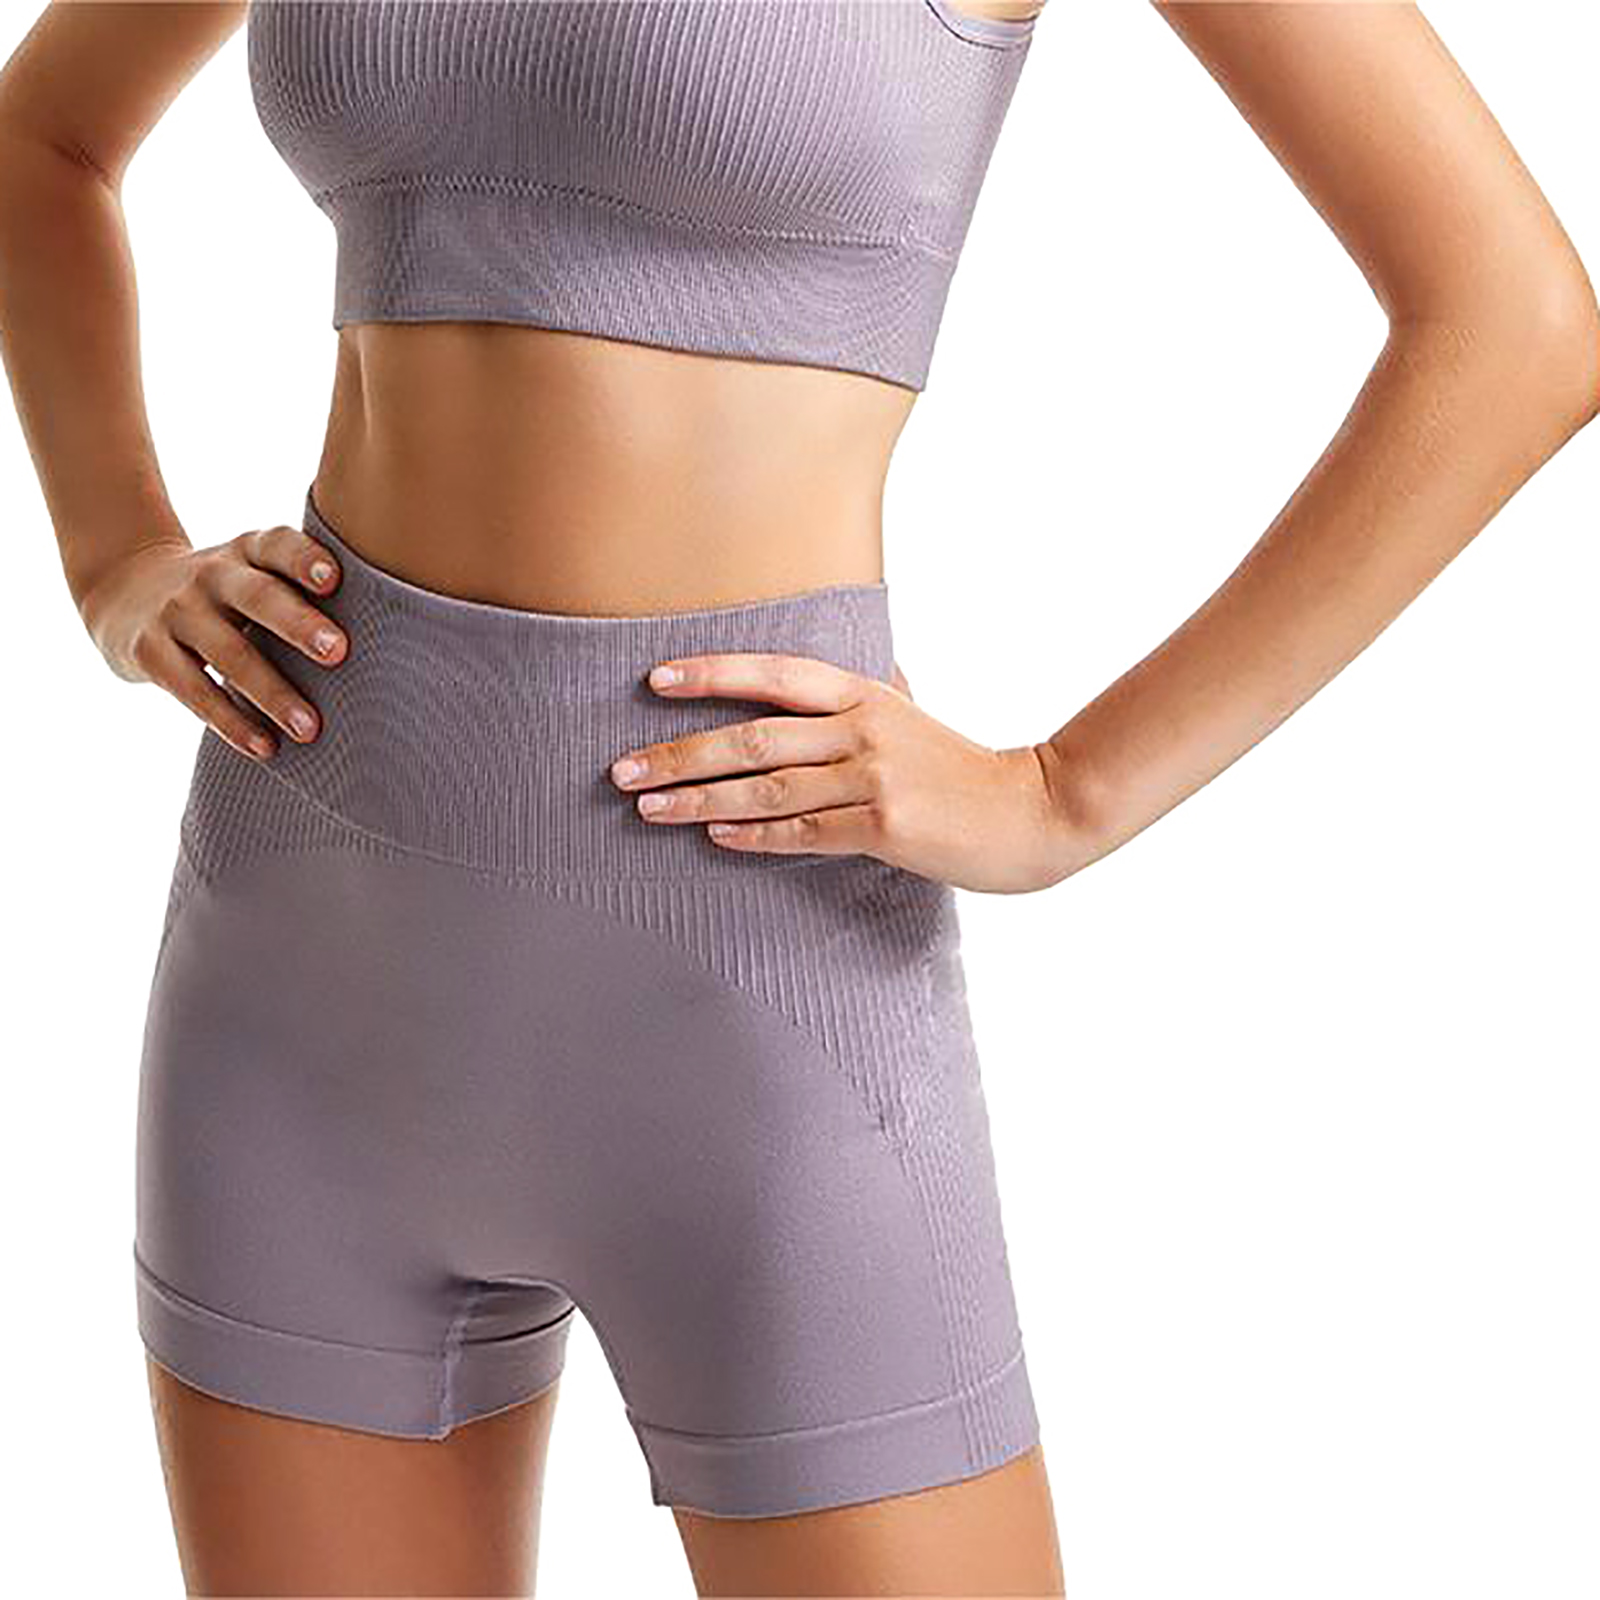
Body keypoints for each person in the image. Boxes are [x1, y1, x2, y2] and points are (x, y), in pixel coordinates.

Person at [0, 2, 1594, 1596]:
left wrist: (1067, 793)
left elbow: (1515, 323)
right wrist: (116, 557)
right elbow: (41, 140)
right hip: (299, 975)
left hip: (762, 1000)